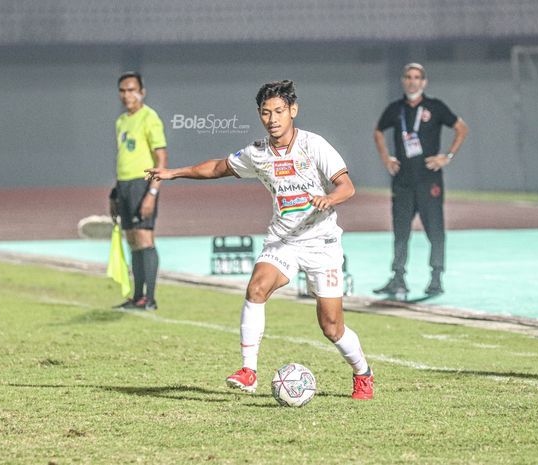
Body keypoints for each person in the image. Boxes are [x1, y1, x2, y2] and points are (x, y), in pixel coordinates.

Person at [146, 80, 373, 400]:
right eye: (266, 113)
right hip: (283, 241)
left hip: (322, 243)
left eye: (279, 111)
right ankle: (248, 370)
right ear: (259, 115)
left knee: (331, 327)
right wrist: (174, 172)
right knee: (256, 287)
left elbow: (346, 186)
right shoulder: (258, 153)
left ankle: (363, 372)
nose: (273, 119)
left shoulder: (314, 145)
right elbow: (217, 167)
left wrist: (329, 199)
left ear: (293, 111)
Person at [373, 63, 468, 298]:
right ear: (403, 81)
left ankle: (436, 278)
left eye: (417, 77)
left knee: (435, 230)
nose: (412, 81)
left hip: (429, 181)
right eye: (408, 76)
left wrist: (447, 156)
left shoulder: (435, 107)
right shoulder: (396, 109)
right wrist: (386, 158)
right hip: (403, 181)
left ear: (424, 82)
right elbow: (378, 131)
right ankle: (398, 277)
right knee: (401, 231)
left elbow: (461, 128)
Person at [110, 72, 168, 310]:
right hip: (124, 185)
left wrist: (151, 194)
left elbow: (161, 158)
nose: (127, 95)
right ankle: (137, 297)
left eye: (132, 90)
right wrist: (115, 193)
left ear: (142, 92)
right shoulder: (121, 122)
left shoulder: (149, 117)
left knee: (145, 238)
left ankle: (150, 299)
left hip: (142, 184)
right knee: (133, 240)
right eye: (123, 91)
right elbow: (124, 158)